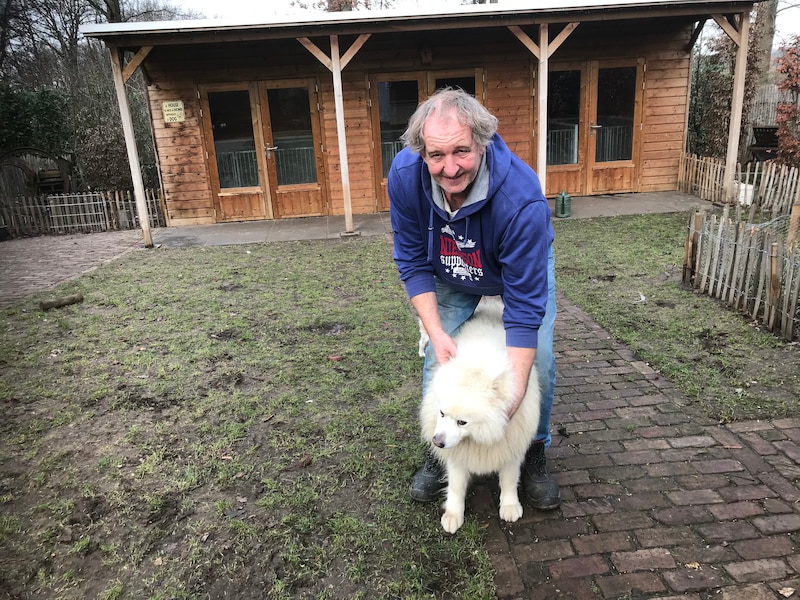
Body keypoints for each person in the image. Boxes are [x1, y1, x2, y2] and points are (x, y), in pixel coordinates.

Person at [388, 87, 560, 510]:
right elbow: (411, 261)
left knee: (537, 360)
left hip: (512, 266)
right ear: (421, 152)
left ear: (482, 143)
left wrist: (509, 406)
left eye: (461, 151)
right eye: (436, 155)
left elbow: (524, 310)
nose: (450, 168)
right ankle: (440, 451)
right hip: (450, 265)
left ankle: (533, 448)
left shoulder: (521, 199)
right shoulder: (405, 176)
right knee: (439, 356)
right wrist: (435, 332)